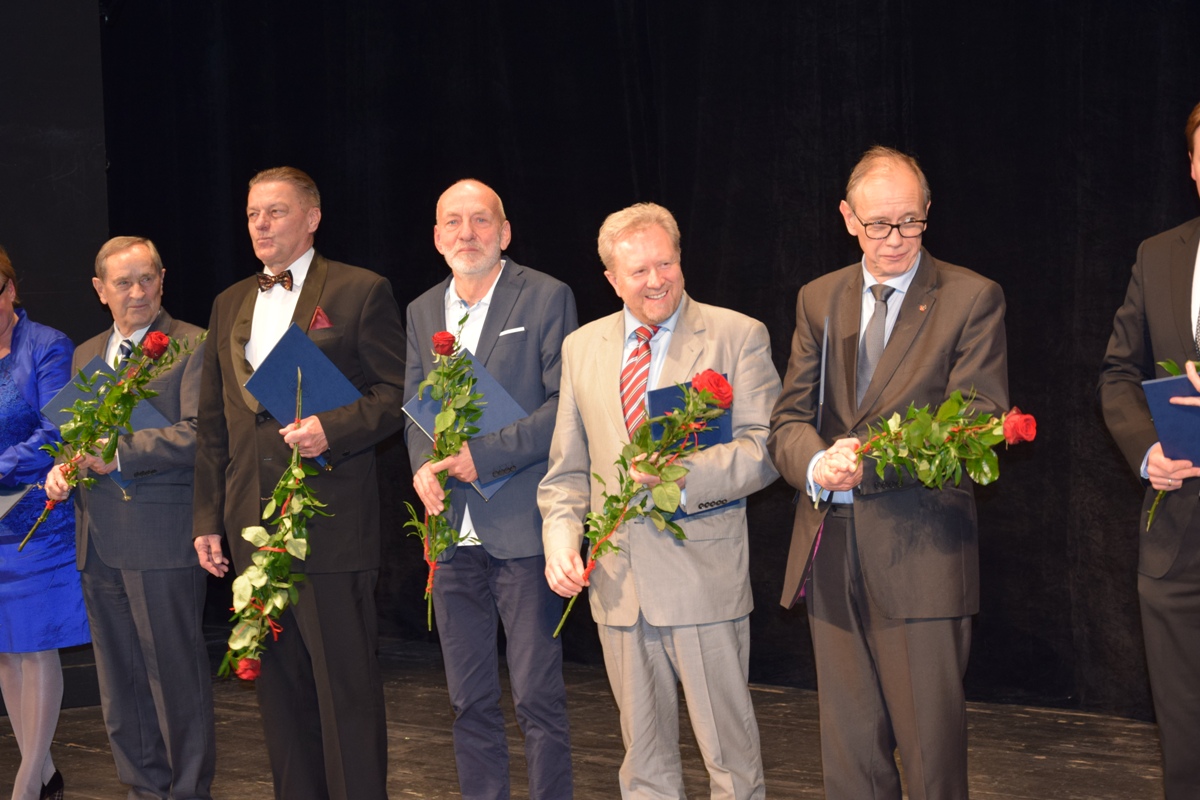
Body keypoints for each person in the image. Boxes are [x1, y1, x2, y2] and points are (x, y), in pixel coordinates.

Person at [768, 146, 1009, 800]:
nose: (895, 238)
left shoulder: (971, 297)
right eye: (878, 224)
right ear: (849, 219)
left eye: (909, 221)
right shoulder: (818, 298)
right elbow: (788, 420)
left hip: (921, 552)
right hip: (829, 548)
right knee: (851, 759)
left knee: (931, 760)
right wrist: (817, 462)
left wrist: (862, 464)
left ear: (927, 213)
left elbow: (979, 421)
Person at [540, 202, 780, 800]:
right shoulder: (581, 347)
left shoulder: (737, 335)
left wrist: (679, 476)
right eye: (639, 271)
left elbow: (766, 449)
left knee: (730, 762)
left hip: (702, 579)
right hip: (617, 585)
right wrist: (560, 541)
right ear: (611, 279)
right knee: (643, 766)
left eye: (665, 263)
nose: (656, 280)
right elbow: (567, 470)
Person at [192, 167, 406, 800]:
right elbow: (214, 423)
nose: (261, 224)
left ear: (312, 218)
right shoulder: (229, 301)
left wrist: (330, 429)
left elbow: (398, 394)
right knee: (279, 693)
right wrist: (208, 519)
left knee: (346, 689)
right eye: (253, 213)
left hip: (329, 521)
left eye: (276, 211)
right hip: (251, 523)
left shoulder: (360, 290)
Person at [405, 179, 576, 799]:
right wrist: (423, 466)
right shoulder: (422, 309)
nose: (467, 233)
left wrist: (486, 457)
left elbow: (565, 407)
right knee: (468, 700)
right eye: (453, 222)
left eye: (481, 221)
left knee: (537, 697)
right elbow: (415, 409)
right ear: (436, 237)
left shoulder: (546, 295)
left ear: (504, 232)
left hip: (523, 527)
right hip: (451, 534)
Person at [44, 236, 213, 799]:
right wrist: (65, 468)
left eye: (147, 279)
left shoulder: (193, 343)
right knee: (120, 688)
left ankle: (187, 791)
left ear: (163, 280)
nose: (137, 292)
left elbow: (202, 435)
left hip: (162, 538)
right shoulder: (87, 353)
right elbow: (80, 434)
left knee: (176, 682)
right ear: (100, 290)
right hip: (97, 541)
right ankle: (142, 789)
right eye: (124, 282)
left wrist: (120, 453)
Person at [1099, 99, 1200, 800]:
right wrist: (1144, 452)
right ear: (1192, 168)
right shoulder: (1158, 254)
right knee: (1186, 739)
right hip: (1176, 536)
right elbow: (1117, 374)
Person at [0, 246, 90, 800]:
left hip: (39, 515)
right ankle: (45, 773)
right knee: (6, 650)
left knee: (35, 648)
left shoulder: (48, 344)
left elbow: (58, 429)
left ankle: (25, 787)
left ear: (10, 289)